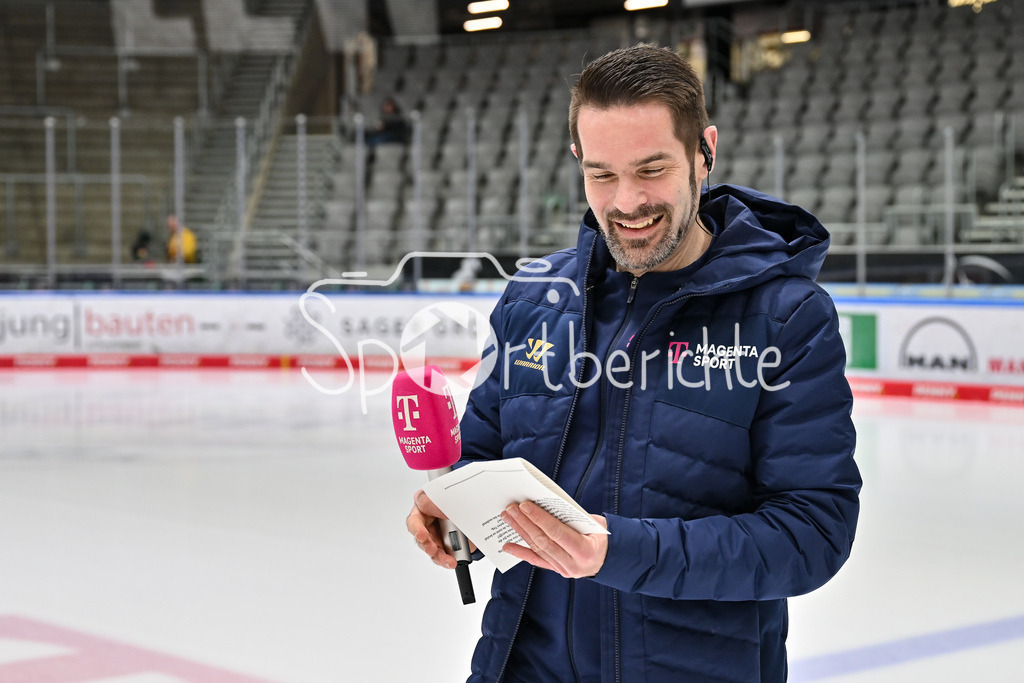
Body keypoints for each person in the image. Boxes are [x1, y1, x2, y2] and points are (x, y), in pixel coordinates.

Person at [407, 45, 861, 682]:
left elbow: (812, 533)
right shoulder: (534, 298)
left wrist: (618, 551)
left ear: (704, 151)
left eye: (652, 170)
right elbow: (480, 461)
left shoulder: (786, 317)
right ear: (578, 163)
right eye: (602, 174)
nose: (626, 202)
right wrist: (454, 516)